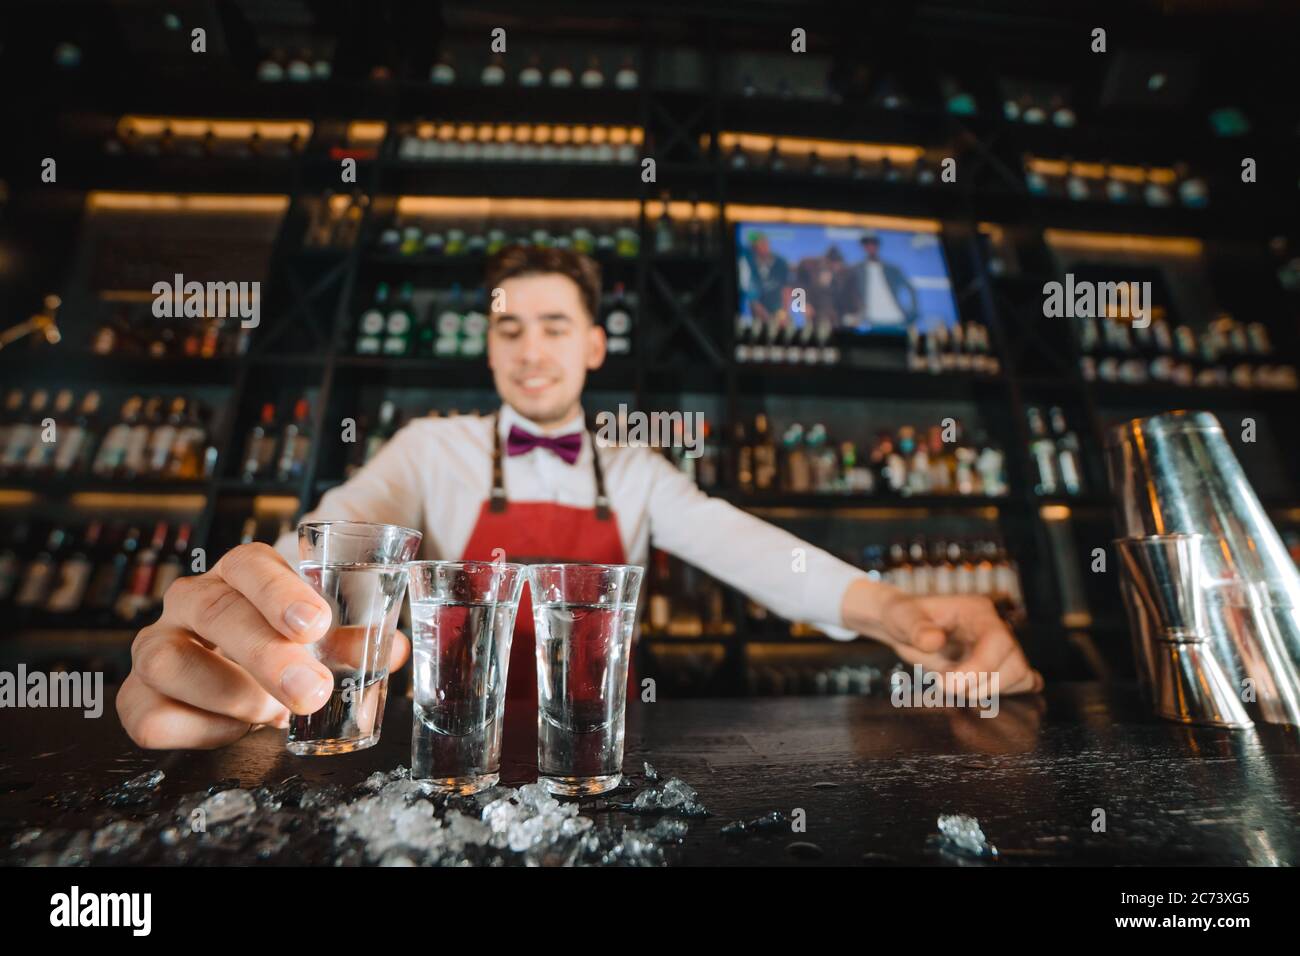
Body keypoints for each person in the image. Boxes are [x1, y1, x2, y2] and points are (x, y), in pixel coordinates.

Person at [117, 245, 1042, 750]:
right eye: (508, 330)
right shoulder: (429, 449)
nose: (528, 351)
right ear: (487, 349)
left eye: (554, 327)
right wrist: (255, 616)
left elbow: (758, 553)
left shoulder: (635, 470)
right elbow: (342, 525)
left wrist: (900, 614)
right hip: (445, 760)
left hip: (594, 756)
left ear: (596, 346)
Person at [837, 230, 918, 330]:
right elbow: (845, 290)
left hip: (898, 320)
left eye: (873, 243)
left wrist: (913, 314)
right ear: (863, 247)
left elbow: (911, 289)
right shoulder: (856, 269)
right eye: (866, 244)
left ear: (878, 245)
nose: (870, 247)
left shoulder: (892, 269)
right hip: (872, 322)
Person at [737, 230, 790, 323]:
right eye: (759, 244)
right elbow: (750, 293)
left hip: (777, 310)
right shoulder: (748, 262)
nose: (764, 247)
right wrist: (759, 309)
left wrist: (784, 313)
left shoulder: (780, 262)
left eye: (765, 243)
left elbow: (786, 289)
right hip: (756, 311)